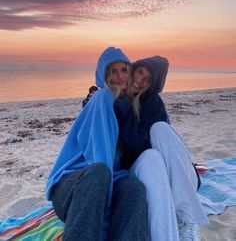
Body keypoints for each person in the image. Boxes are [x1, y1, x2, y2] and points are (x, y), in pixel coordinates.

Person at [46, 47, 149, 241]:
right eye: (113, 71)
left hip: (105, 181)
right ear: (104, 75)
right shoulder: (102, 98)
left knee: (134, 188)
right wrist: (103, 222)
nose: (120, 76)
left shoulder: (127, 105)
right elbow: (99, 156)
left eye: (124, 70)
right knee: (99, 171)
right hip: (72, 189)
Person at [117, 56, 208, 240]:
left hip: (171, 173)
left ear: (153, 85)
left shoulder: (153, 103)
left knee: (160, 129)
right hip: (143, 169)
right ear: (133, 69)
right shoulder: (113, 98)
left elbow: (142, 143)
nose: (140, 80)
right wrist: (123, 101)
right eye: (140, 71)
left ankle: (185, 218)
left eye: (148, 79)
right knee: (151, 157)